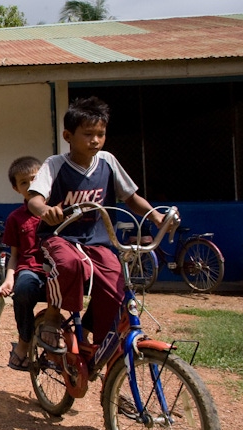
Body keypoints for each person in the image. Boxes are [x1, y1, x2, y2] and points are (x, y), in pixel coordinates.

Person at [27, 96, 164, 352]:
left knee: (115, 281)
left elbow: (131, 197)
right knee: (69, 264)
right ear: (68, 135)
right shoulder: (55, 165)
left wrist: (154, 215)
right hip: (60, 237)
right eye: (88, 134)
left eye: (100, 134)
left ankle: (92, 336)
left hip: (98, 241)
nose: (95, 140)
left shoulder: (108, 162)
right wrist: (46, 210)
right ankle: (53, 315)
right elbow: (34, 200)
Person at [0, 156, 47, 371]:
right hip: (30, 269)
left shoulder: (56, 210)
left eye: (34, 180)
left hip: (58, 268)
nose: (30, 186)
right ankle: (24, 342)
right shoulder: (16, 218)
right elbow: (15, 255)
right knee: (23, 289)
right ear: (16, 188)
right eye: (24, 182)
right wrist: (9, 278)